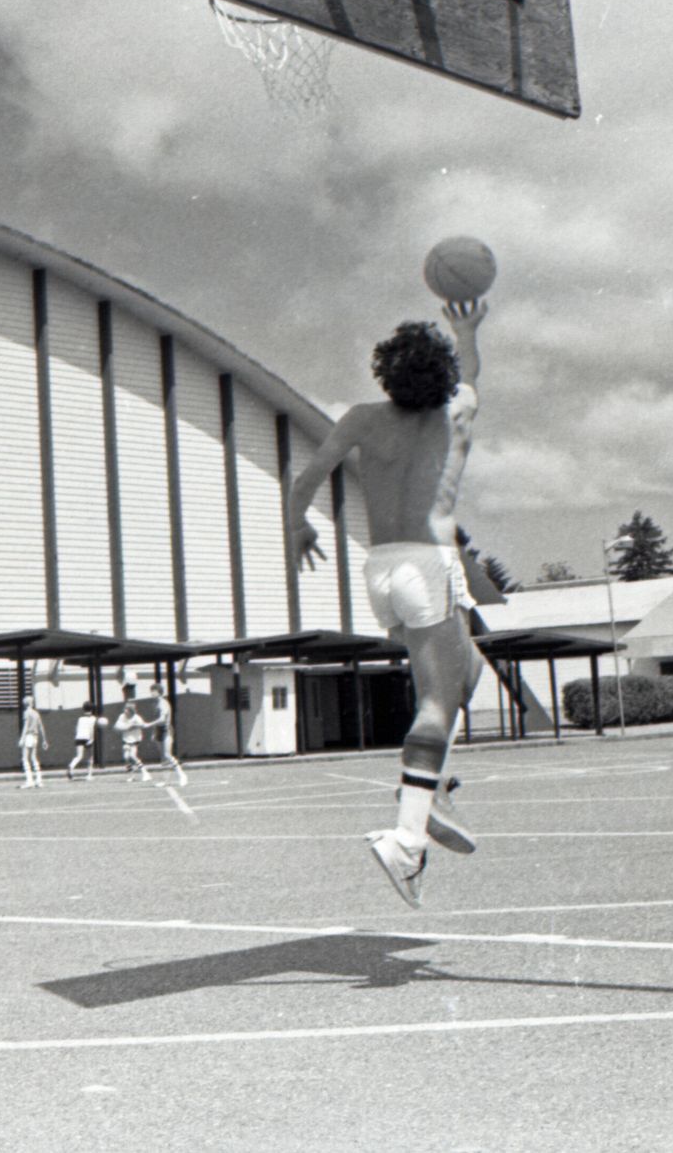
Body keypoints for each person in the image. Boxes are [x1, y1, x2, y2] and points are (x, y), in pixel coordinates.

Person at [289, 299, 486, 909]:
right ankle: (407, 838)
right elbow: (471, 375)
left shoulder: (362, 418)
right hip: (430, 563)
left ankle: (432, 786)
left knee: (470, 669)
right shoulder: (456, 411)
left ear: (386, 373)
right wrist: (466, 331)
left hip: (381, 566)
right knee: (437, 702)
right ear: (442, 374)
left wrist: (297, 526)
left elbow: (307, 477)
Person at [141, 680, 190, 786]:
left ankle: (182, 775)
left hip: (166, 730)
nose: (151, 693)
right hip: (159, 730)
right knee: (163, 757)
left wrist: (149, 724)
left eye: (153, 691)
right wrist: (154, 732)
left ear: (158, 692)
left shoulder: (163, 703)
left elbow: (162, 719)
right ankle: (165, 780)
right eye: (151, 691)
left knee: (167, 754)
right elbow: (157, 719)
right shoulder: (155, 704)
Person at [113, 687, 150, 782]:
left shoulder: (137, 718)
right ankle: (131, 775)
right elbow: (116, 727)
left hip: (135, 739)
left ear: (131, 711)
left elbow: (143, 725)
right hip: (126, 739)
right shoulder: (122, 716)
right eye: (124, 709)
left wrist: (136, 726)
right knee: (126, 757)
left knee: (133, 755)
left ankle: (145, 773)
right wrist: (127, 727)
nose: (125, 711)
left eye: (127, 710)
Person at [16, 701, 47, 788]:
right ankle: (39, 780)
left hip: (29, 736)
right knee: (34, 758)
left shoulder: (26, 713)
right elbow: (41, 726)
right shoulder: (36, 713)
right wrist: (44, 740)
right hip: (35, 736)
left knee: (25, 758)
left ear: (25, 704)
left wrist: (22, 738)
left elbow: (26, 726)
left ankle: (29, 780)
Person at [67, 703, 98, 780]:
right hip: (87, 738)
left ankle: (71, 765)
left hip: (78, 737)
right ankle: (89, 775)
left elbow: (76, 729)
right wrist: (92, 739)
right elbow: (91, 729)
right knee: (90, 757)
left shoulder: (80, 719)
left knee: (79, 756)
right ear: (92, 710)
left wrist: (76, 737)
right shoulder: (93, 718)